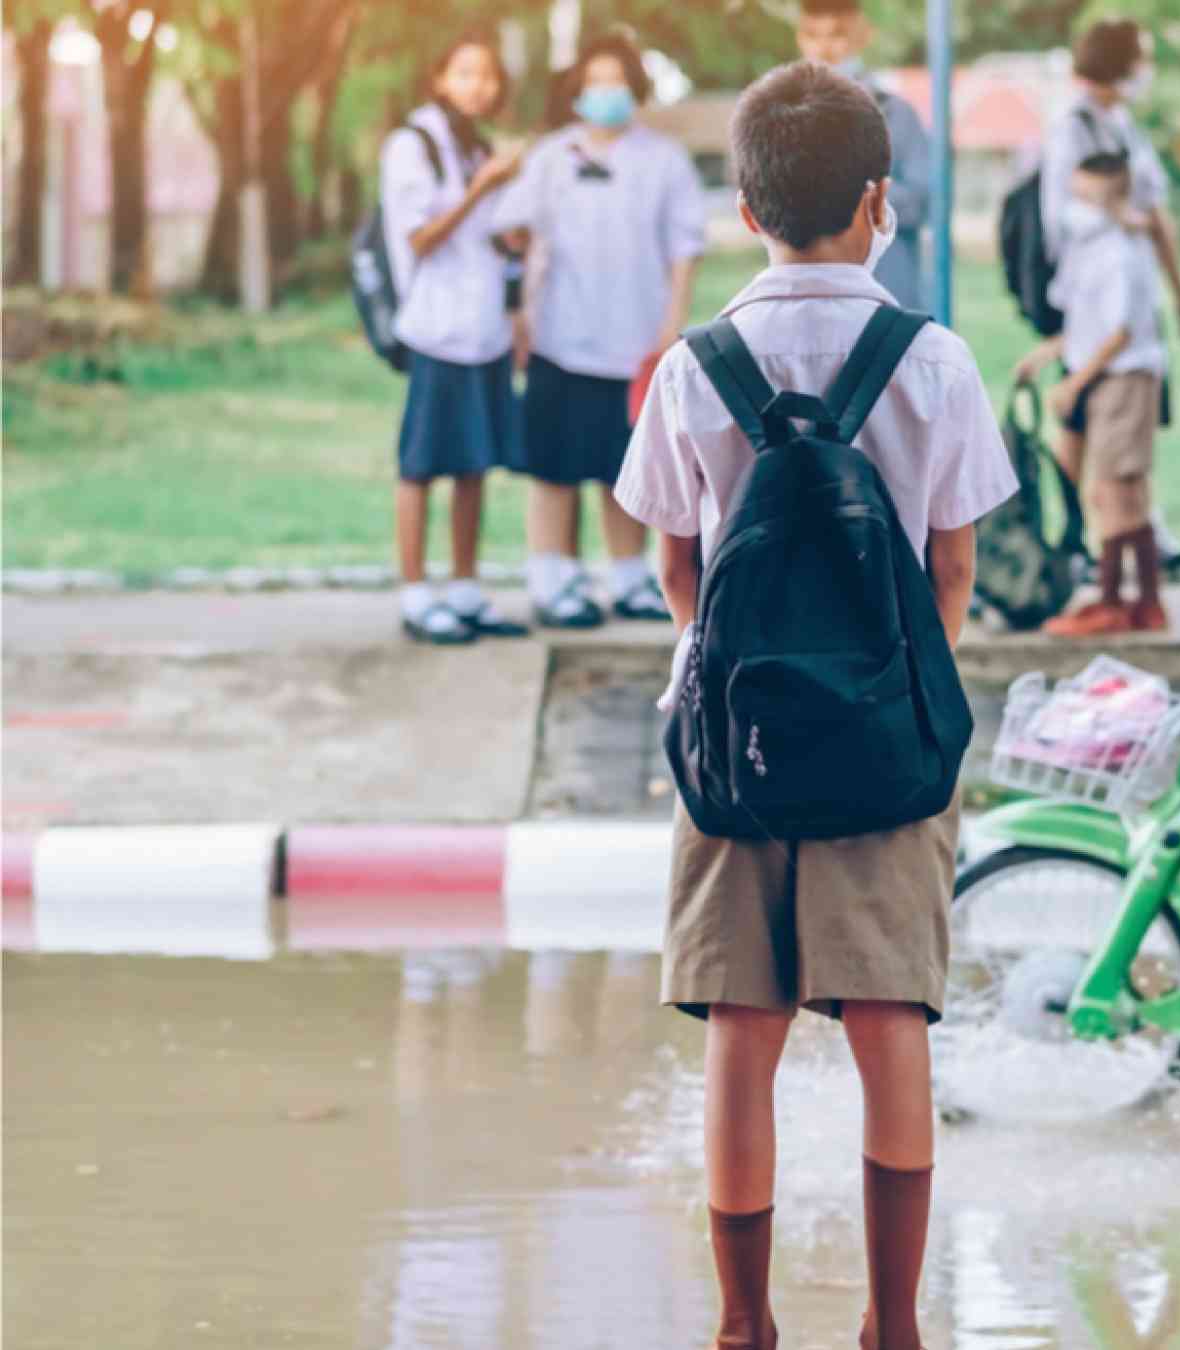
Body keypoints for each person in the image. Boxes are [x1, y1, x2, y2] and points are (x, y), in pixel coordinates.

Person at [610, 61, 1016, 1350]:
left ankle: (744, 1325)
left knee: (743, 1025)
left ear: (745, 208)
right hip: (888, 744)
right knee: (891, 1020)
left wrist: (712, 656)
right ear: (880, 201)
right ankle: (891, 1326)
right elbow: (953, 560)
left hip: (734, 742)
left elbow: (677, 562)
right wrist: (904, 688)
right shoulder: (932, 358)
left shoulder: (695, 365)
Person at [494, 34, 705, 629]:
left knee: (626, 467)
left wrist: (670, 327)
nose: (605, 93)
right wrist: (518, 310)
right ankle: (552, 579)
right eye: (594, 82)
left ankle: (629, 577)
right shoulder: (552, 156)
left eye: (617, 81)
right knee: (554, 465)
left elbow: (685, 250)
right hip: (558, 337)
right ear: (576, 92)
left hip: (637, 341)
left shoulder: (663, 160)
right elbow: (512, 231)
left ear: (635, 88)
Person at [381, 36, 529, 645]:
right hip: (437, 332)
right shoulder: (411, 146)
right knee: (421, 465)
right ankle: (416, 594)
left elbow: (486, 239)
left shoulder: (476, 147)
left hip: (483, 331)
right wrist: (482, 188)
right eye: (465, 72)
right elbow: (419, 239)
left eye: (488, 75)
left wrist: (512, 239)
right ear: (439, 78)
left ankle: (465, 589)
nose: (479, 86)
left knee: (474, 462)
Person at [1038, 17, 1180, 570]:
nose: (1145, 71)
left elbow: (1152, 213)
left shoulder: (1119, 123)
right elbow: (1062, 218)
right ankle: (1081, 533)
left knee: (1122, 431)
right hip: (1090, 298)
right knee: (1084, 419)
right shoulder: (1073, 126)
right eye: (1141, 59)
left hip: (1125, 296)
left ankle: (1129, 532)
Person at [1012, 151, 1168, 635]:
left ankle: (1111, 601)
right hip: (1106, 376)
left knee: (1111, 491)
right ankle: (1146, 602)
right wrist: (1045, 356)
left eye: (1088, 197)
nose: (1077, 207)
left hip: (1122, 378)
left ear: (1116, 196)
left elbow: (1120, 332)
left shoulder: (1121, 252)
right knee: (1125, 492)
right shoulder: (1091, 251)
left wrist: (1073, 384)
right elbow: (1086, 324)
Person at [795, 0, 933, 310]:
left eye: (837, 34)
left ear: (862, 35)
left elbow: (923, 202)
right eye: (813, 35)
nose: (824, 48)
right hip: (810, 299)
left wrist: (851, 187)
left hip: (885, 297)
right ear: (799, 38)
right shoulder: (779, 116)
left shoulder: (897, 114)